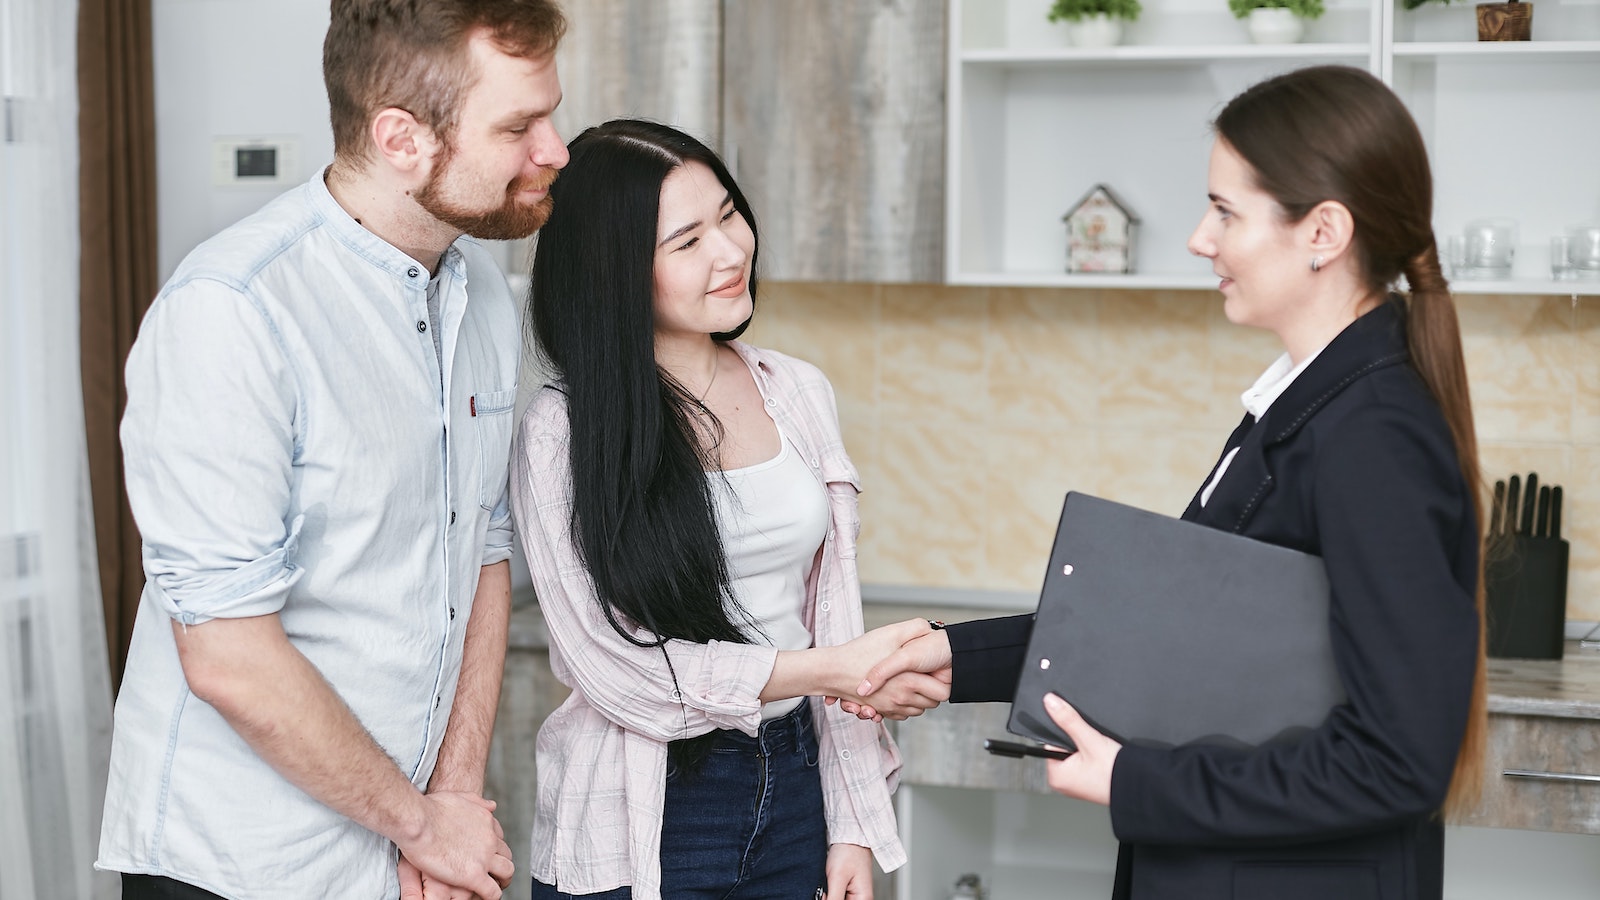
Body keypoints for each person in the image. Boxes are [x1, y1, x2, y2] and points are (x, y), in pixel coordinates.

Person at [850, 65, 1488, 900]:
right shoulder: (1306, 404)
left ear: (1323, 232)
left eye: (1225, 210)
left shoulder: (1373, 437)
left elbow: (1395, 763)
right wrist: (952, 657)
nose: (1199, 237)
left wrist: (1138, 783)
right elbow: (1179, 638)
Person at [94, 2, 569, 897]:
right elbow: (229, 654)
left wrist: (451, 800)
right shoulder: (233, 310)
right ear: (400, 138)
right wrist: (424, 823)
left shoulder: (486, 296)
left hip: (401, 849)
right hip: (239, 865)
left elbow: (485, 550)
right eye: (518, 125)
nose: (555, 149)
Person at [510, 119, 949, 900]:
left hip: (796, 788)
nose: (730, 250)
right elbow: (613, 672)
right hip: (644, 809)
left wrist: (850, 824)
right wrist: (825, 671)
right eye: (686, 242)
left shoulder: (797, 390)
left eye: (728, 215)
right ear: (614, 271)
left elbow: (831, 615)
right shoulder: (564, 431)